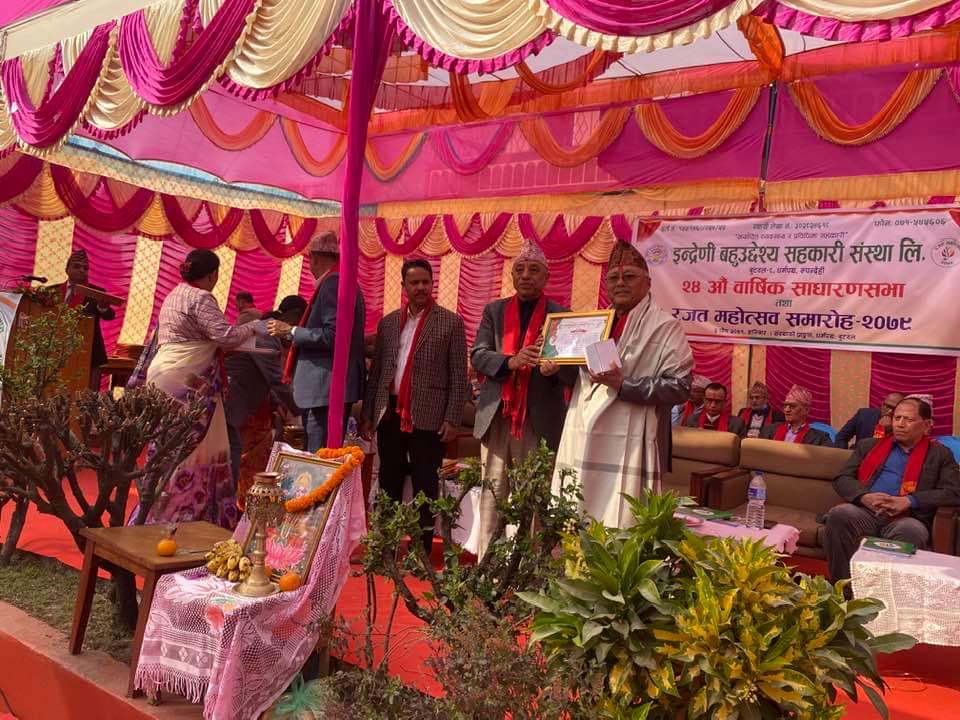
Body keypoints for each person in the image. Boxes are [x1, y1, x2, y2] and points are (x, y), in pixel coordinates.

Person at [553, 239, 694, 527]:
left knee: (620, 521)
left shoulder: (664, 326)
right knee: (577, 516)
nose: (620, 283)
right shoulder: (593, 323)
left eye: (629, 276)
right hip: (584, 437)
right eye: (614, 278)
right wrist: (556, 367)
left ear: (648, 282)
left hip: (630, 442)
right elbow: (584, 381)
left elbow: (680, 387)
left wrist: (624, 384)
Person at [129, 249, 257, 527]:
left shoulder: (173, 295)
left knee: (167, 445)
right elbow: (225, 337)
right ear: (212, 275)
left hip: (164, 374)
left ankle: (155, 511)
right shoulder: (201, 297)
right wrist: (256, 327)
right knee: (189, 448)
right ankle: (187, 516)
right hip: (188, 381)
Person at [470, 240, 577, 556]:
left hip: (539, 422)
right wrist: (511, 361)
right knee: (492, 499)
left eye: (533, 270)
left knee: (534, 502)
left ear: (546, 277)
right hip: (498, 417)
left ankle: (530, 575)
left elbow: (575, 374)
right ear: (512, 276)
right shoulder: (494, 311)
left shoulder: (562, 316)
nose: (526, 275)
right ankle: (487, 572)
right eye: (520, 269)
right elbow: (478, 355)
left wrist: (556, 370)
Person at [362, 259, 467, 555]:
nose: (421, 287)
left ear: (432, 284)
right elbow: (378, 372)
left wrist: (452, 418)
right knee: (389, 479)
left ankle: (421, 550)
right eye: (414, 282)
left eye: (425, 282)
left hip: (429, 414)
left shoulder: (450, 322)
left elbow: (458, 374)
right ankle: (386, 546)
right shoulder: (388, 323)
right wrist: (369, 413)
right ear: (404, 286)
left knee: (425, 481)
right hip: (390, 412)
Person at [825, 397, 960, 582]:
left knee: (910, 531)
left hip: (908, 517)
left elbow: (954, 492)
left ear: (927, 425)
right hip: (866, 512)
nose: (900, 424)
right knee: (839, 514)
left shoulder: (940, 454)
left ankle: (886, 592)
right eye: (897, 418)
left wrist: (909, 500)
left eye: (908, 419)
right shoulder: (869, 445)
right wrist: (864, 497)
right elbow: (842, 478)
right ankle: (843, 587)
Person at [267, 231, 366, 452]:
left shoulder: (333, 283)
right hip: (326, 388)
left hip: (325, 389)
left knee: (318, 458)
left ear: (315, 258)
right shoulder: (342, 281)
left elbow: (334, 336)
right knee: (322, 454)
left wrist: (291, 331)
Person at [224, 295, 306, 485]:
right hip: (235, 401)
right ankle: (231, 499)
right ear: (294, 318)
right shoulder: (266, 333)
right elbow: (276, 380)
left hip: (245, 403)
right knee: (234, 454)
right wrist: (302, 412)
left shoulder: (266, 330)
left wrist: (278, 405)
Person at [54, 249, 117, 389]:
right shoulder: (53, 291)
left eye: (85, 268)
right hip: (55, 352)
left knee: (85, 397)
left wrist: (103, 308)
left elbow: (110, 315)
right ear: (67, 269)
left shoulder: (96, 293)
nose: (82, 270)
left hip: (88, 355)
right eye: (77, 266)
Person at [759, 385, 832, 446]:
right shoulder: (768, 430)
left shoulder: (821, 438)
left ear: (806, 410)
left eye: (792, 406)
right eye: (785, 405)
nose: (787, 410)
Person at [834, 392, 905, 448]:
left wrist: (889, 430)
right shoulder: (863, 414)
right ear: (882, 404)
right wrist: (844, 455)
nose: (890, 411)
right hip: (859, 456)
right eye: (888, 406)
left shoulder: (902, 424)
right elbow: (841, 437)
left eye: (894, 408)